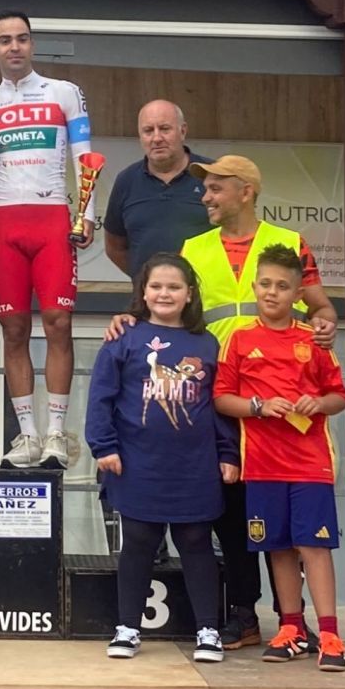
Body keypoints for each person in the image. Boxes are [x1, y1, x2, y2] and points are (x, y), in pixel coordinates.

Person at [108, 153, 338, 652]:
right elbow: (169, 299)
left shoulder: (288, 243)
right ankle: (243, 613)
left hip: (280, 400)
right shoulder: (194, 247)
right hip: (216, 396)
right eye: (205, 188)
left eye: (215, 188)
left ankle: (293, 621)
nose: (205, 196)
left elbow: (320, 305)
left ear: (245, 191)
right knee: (231, 515)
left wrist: (325, 324)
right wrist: (128, 318)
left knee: (284, 516)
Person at [86, 254, 239, 662]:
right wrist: (103, 446)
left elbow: (219, 404)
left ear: (190, 294)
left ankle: (208, 630)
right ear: (143, 291)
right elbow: (101, 396)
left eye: (174, 287)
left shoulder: (207, 343)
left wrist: (228, 452)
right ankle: (127, 628)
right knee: (138, 542)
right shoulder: (124, 338)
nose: (164, 294)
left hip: (195, 466)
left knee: (196, 541)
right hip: (137, 463)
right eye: (156, 286)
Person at [214, 245, 345, 671]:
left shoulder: (314, 339)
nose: (272, 292)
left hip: (310, 464)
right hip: (262, 464)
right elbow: (221, 398)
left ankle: (330, 635)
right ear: (254, 286)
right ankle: (290, 628)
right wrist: (257, 406)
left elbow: (340, 395)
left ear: (298, 294)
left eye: (282, 286)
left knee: (313, 545)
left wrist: (318, 402)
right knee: (277, 546)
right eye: (265, 284)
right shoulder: (239, 339)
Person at [0, 10, 94, 469]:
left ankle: (56, 433)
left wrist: (86, 214)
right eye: (5, 40)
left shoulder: (63, 92)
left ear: (32, 44)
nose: (14, 47)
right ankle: (27, 434)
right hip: (4, 222)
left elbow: (85, 157)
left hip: (51, 220)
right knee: (12, 328)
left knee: (58, 322)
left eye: (22, 38)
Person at [103, 100, 212, 279]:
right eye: (148, 131)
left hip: (206, 293)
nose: (156, 138)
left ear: (183, 131)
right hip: (148, 295)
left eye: (164, 129)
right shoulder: (126, 180)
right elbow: (114, 247)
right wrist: (145, 280)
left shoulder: (211, 174)